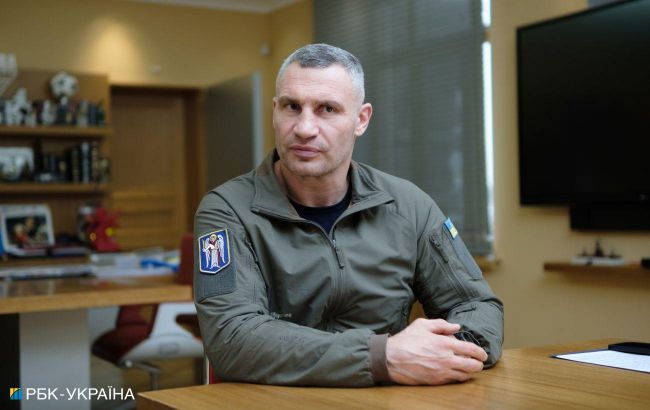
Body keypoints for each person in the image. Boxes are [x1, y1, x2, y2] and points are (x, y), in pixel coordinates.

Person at [194, 43, 503, 386]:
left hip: (388, 399)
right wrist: (382, 356)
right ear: (274, 111)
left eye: (327, 109)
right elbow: (231, 338)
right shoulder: (226, 210)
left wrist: (446, 353)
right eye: (292, 107)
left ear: (361, 119)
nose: (304, 128)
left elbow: (477, 305)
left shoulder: (409, 205)